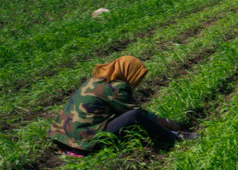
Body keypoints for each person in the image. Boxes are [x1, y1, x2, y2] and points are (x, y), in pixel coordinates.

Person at [48, 55, 198, 157]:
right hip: (86, 142)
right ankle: (174, 138)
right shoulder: (115, 87)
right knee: (135, 116)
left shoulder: (95, 80)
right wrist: (168, 123)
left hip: (62, 137)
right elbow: (137, 114)